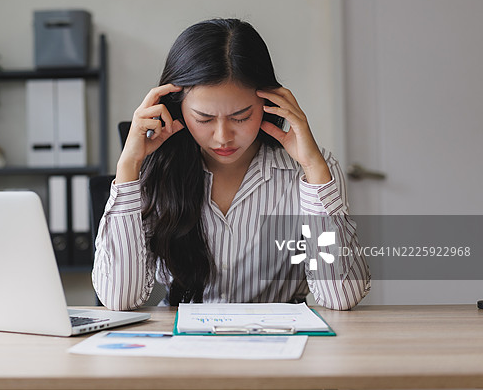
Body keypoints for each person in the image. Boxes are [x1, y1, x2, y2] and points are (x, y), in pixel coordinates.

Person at [92, 18, 370, 311]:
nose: (223, 137)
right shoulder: (153, 169)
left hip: (279, 341)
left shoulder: (310, 171)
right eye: (204, 119)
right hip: (180, 345)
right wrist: (128, 167)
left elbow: (341, 297)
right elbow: (119, 299)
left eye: (240, 117)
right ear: (176, 108)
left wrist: (314, 168)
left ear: (270, 103)